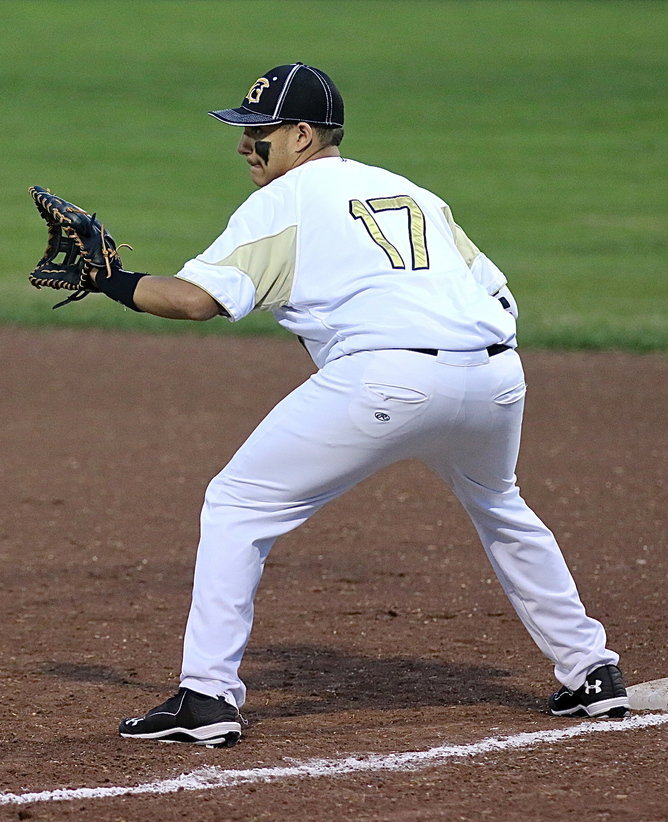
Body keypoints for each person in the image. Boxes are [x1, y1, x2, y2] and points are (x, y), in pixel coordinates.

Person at [95, 64, 629, 747]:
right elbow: (497, 294)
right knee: (500, 506)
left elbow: (198, 301)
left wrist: (112, 279)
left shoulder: (285, 199)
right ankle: (592, 671)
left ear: (302, 135)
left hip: (387, 380)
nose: (244, 146)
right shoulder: (408, 191)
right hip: (496, 377)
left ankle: (206, 697)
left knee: (238, 502)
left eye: (258, 132)